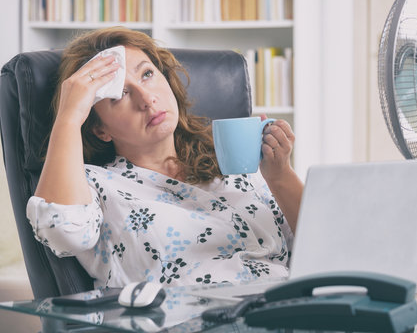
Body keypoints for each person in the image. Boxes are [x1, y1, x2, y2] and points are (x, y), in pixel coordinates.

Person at [26, 27, 303, 289]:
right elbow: (63, 232)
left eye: (147, 74)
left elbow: (322, 246)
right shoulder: (94, 185)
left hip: (291, 308)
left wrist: (280, 177)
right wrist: (69, 117)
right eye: (120, 94)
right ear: (100, 129)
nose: (146, 98)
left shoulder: (235, 162)